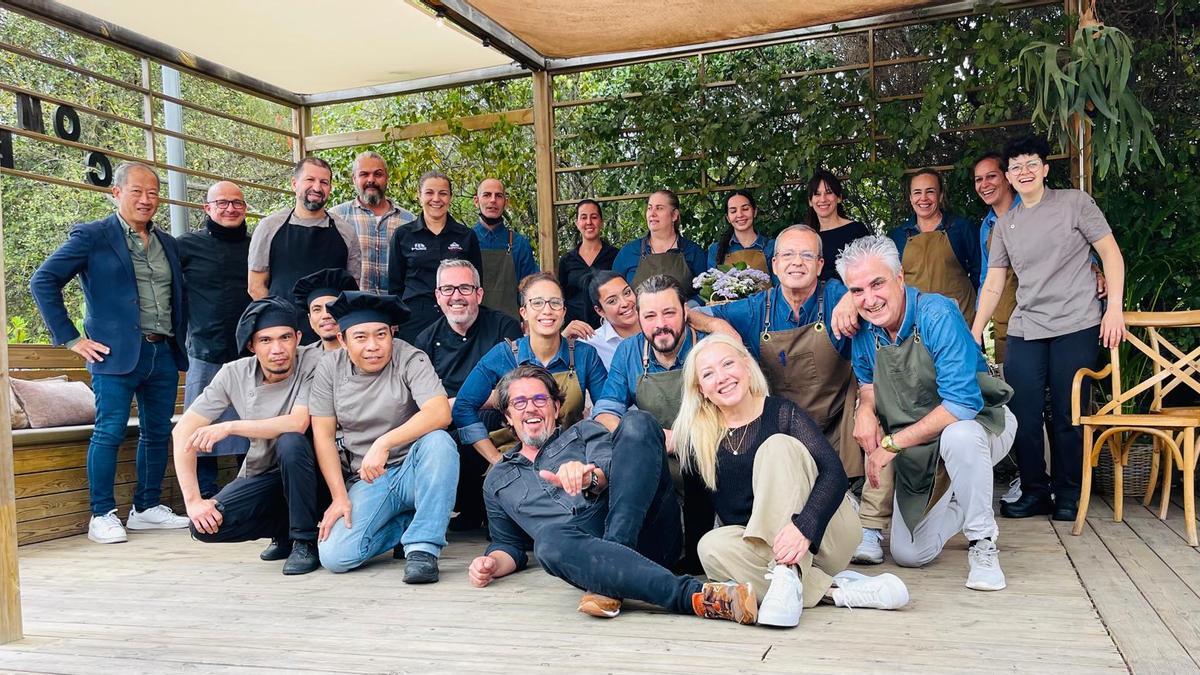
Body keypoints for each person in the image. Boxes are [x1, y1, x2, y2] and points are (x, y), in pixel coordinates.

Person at [468, 365, 761, 626]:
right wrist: (492, 564)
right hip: (585, 553)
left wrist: (590, 476)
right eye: (519, 402)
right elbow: (509, 544)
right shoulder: (497, 480)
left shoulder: (584, 432)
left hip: (641, 529)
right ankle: (699, 597)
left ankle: (620, 568)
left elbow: (621, 471)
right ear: (508, 415)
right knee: (548, 541)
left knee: (638, 422)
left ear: (556, 408)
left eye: (539, 399)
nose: (530, 408)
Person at [674, 334, 909, 627]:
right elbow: (698, 513)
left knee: (777, 447)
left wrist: (804, 527)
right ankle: (836, 590)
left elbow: (834, 474)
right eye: (708, 374)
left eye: (727, 364)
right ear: (701, 390)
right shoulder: (697, 439)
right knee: (709, 546)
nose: (721, 377)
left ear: (746, 367)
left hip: (824, 534)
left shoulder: (782, 413)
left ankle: (789, 572)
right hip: (766, 551)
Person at [689, 225, 889, 565]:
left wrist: (850, 299)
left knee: (880, 411)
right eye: (788, 255)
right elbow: (689, 310)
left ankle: (870, 524)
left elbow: (878, 294)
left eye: (807, 255)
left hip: (838, 418)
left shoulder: (841, 294)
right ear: (774, 264)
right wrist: (718, 326)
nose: (797, 262)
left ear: (821, 263)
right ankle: (781, 546)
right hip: (783, 428)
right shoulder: (755, 308)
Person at [839, 235, 1017, 591]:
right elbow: (868, 384)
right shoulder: (864, 330)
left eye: (877, 284)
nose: (869, 300)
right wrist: (866, 410)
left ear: (899, 277)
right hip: (921, 448)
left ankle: (983, 544)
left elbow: (962, 404)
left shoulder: (937, 312)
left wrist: (889, 445)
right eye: (857, 291)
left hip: (982, 425)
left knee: (960, 436)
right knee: (910, 554)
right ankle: (965, 493)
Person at [30, 161, 191, 544]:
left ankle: (146, 508)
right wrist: (71, 339)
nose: (146, 199)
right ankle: (101, 514)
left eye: (152, 193)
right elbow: (43, 280)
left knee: (157, 432)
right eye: (136, 191)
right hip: (113, 356)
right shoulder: (92, 236)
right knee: (109, 432)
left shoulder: (167, 242)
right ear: (116, 193)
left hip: (162, 352)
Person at [972, 135, 1127, 522]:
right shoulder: (1006, 225)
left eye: (1031, 164)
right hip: (1027, 326)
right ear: (1009, 176)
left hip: (1077, 321)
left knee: (1067, 411)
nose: (1023, 172)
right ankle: (1035, 491)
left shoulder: (1074, 203)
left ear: (1044, 168)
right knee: (1021, 412)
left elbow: (1110, 253)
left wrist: (1115, 310)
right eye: (1016, 167)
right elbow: (994, 282)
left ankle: (1069, 493)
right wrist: (975, 329)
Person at [310, 292, 459, 580]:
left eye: (381, 335)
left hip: (417, 469)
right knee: (335, 556)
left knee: (440, 441)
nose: (373, 346)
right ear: (342, 340)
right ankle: (405, 527)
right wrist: (339, 497)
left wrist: (384, 442)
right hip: (369, 478)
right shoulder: (329, 368)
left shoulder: (409, 357)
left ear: (392, 333)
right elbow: (323, 435)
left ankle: (423, 548)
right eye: (361, 337)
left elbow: (440, 412)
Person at [172, 296, 325, 575]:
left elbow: (298, 422)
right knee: (206, 526)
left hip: (318, 472)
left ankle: (304, 540)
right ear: (251, 345)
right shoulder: (234, 373)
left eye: (285, 338)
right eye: (265, 340)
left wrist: (230, 427)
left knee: (291, 442)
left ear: (298, 338)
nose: (278, 349)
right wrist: (193, 501)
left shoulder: (314, 362)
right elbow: (183, 430)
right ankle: (285, 530)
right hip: (266, 472)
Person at [452, 273, 608, 466]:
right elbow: (463, 406)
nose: (547, 310)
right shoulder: (503, 355)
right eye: (537, 303)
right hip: (516, 462)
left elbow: (606, 409)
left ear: (564, 311)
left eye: (555, 303)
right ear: (523, 312)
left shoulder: (585, 355)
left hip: (571, 458)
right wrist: (496, 459)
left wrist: (595, 459)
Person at [414, 259, 522, 530]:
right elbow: (421, 403)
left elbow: (514, 389)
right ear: (438, 296)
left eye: (464, 288)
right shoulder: (425, 340)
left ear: (479, 293)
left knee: (481, 419)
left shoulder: (504, 328)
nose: (456, 297)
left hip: (498, 422)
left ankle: (492, 507)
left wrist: (461, 404)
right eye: (448, 289)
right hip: (447, 427)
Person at [177, 180, 253, 498]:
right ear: (207, 208)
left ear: (245, 208)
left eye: (236, 203)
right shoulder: (186, 245)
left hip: (249, 350)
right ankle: (205, 491)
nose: (230, 208)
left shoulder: (256, 244)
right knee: (201, 419)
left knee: (250, 420)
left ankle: (245, 487)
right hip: (204, 346)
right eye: (222, 203)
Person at [247, 157, 361, 340]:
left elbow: (352, 288)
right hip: (285, 334)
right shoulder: (269, 227)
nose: (317, 187)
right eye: (310, 180)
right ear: (294, 184)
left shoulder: (346, 231)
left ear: (330, 189)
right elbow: (256, 286)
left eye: (324, 182)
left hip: (331, 335)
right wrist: (280, 326)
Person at [387, 170, 483, 343]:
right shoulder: (403, 235)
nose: (436, 199)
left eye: (443, 193)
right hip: (414, 319)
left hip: (456, 316)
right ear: (419, 195)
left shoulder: (466, 236)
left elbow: (477, 284)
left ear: (450, 197)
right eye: (429, 192)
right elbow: (395, 285)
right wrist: (395, 319)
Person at [886, 168, 980, 324]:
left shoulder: (962, 228)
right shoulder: (897, 236)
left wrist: (974, 309)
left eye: (930, 191)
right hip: (916, 324)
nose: (923, 198)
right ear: (910, 198)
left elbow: (980, 273)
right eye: (917, 193)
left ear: (941, 195)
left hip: (960, 320)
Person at [329, 151, 416, 295]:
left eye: (378, 174)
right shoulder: (337, 217)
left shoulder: (408, 220)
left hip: (397, 309)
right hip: (352, 309)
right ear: (354, 178)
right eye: (364, 174)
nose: (371, 180)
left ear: (386, 178)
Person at [612, 190, 707, 302]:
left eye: (659, 208)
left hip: (684, 318)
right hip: (638, 319)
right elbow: (613, 291)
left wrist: (688, 308)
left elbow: (705, 294)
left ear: (674, 215)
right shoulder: (628, 252)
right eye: (649, 208)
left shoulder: (693, 251)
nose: (652, 213)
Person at [972, 153, 1021, 364]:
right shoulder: (987, 226)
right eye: (978, 179)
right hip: (1004, 323)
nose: (984, 184)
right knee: (1011, 389)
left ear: (1007, 178)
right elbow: (986, 278)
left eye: (991, 176)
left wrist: (1093, 267)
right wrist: (978, 327)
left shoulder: (1032, 209)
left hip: (1044, 319)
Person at [472, 178, 538, 319]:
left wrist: (528, 320)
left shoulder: (519, 243)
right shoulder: (465, 241)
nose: (493, 200)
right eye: (487, 195)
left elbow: (531, 289)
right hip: (472, 326)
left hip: (511, 326)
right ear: (476, 201)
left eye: (499, 196)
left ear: (506, 202)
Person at [558, 199, 619, 330]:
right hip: (574, 331)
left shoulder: (616, 256)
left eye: (594, 217)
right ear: (577, 223)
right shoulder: (567, 260)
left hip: (610, 329)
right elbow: (560, 296)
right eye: (583, 217)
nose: (589, 222)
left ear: (601, 222)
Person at [805, 169, 871, 282]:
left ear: (839, 197)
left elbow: (868, 270)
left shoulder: (857, 230)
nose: (823, 199)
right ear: (810, 201)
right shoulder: (806, 236)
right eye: (817, 194)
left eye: (829, 192)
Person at [574, 271, 640, 370]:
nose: (625, 303)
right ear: (600, 311)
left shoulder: (658, 324)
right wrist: (563, 337)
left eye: (627, 293)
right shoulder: (591, 343)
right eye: (612, 301)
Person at [707, 190, 774, 275]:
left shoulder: (772, 247)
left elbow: (781, 286)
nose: (740, 215)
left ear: (755, 212)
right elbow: (712, 285)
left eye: (745, 209)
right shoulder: (715, 249)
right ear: (728, 218)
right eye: (733, 211)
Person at [291, 268, 359, 352]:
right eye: (317, 309)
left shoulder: (365, 354)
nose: (326, 315)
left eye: (332, 306)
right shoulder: (300, 358)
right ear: (310, 320)